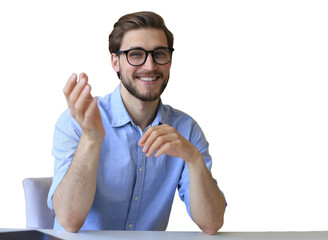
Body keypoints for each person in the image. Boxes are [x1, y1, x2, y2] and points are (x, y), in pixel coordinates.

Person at [47, 11, 226, 235]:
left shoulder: (186, 130)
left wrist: (193, 159)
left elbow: (211, 224)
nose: (150, 66)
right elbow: (69, 221)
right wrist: (91, 139)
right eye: (136, 54)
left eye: (159, 53)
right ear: (115, 61)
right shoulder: (78, 120)